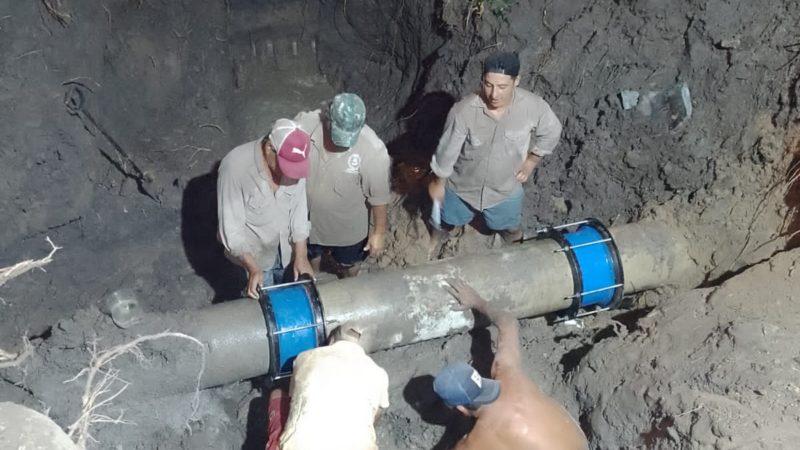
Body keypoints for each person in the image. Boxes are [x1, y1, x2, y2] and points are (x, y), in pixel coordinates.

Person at [434, 279, 588, 450]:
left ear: (460, 409)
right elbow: (508, 322)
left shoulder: (474, 443)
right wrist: (477, 301)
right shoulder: (508, 373)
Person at [428, 51, 562, 244]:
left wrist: (532, 160)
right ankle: (437, 240)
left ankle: (515, 247)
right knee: (445, 220)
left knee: (510, 227)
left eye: (502, 87)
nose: (494, 94)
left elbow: (552, 131)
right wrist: (439, 181)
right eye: (488, 85)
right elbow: (447, 150)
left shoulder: (533, 107)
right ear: (482, 80)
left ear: (516, 81)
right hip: (462, 187)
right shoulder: (463, 111)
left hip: (505, 189)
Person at [293, 93, 391, 278]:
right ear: (327, 117)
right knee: (312, 253)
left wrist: (379, 232)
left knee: (349, 263)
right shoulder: (305, 125)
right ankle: (314, 275)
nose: (343, 144)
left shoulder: (373, 151)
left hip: (347, 229)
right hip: (309, 222)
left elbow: (378, 198)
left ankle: (349, 282)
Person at [217, 118, 314, 299]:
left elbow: (299, 211)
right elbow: (231, 233)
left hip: (286, 252)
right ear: (270, 148)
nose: (290, 174)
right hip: (252, 257)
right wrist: (253, 268)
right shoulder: (235, 168)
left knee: (288, 298)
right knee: (261, 309)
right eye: (286, 166)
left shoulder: (297, 159)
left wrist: (301, 255)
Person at [267, 325, 390, 450]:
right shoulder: (379, 373)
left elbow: (292, 399)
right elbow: (377, 414)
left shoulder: (304, 357)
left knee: (277, 394)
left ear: (331, 340)